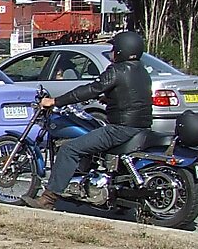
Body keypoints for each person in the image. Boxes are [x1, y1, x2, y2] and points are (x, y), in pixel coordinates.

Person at [23, 31, 153, 210]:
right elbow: (133, 96)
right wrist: (109, 99)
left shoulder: (117, 70)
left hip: (120, 129)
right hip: (141, 127)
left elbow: (91, 89)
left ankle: (48, 199)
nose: (112, 52)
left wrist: (55, 101)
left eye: (115, 48)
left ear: (122, 50)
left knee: (69, 149)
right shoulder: (142, 71)